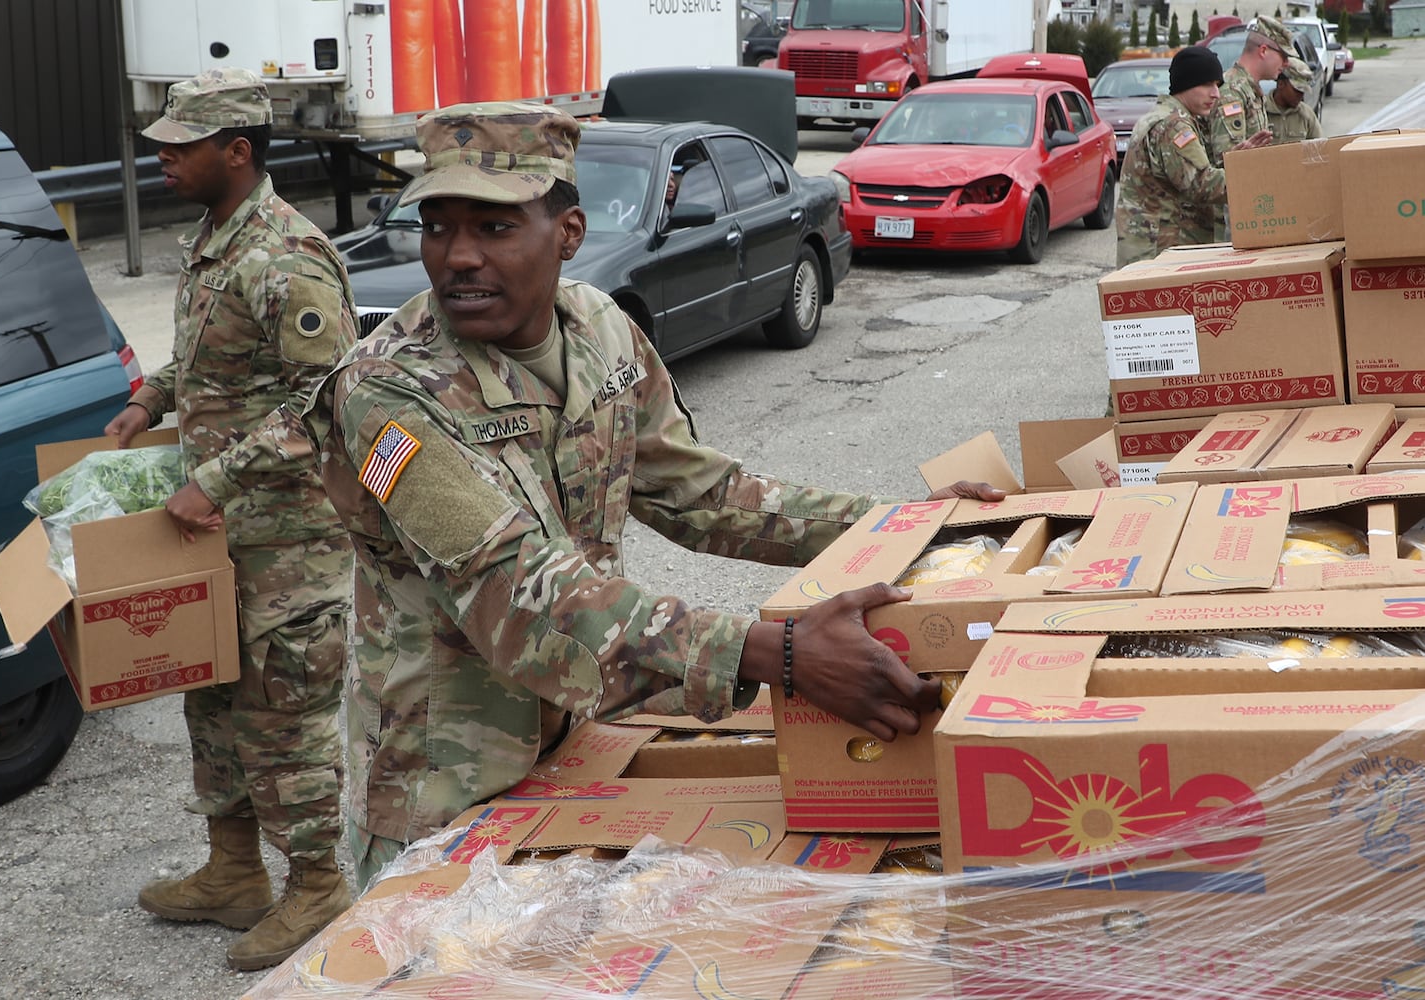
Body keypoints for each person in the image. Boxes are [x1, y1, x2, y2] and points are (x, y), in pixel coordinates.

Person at [301, 101, 1006, 887]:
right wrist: (780, 655)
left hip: (576, 741)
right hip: (446, 786)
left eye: (494, 227)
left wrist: (904, 528)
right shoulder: (389, 394)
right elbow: (520, 592)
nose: (457, 256)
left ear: (566, 232)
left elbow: (696, 490)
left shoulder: (599, 328)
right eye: (438, 227)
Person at [103, 68, 359, 972]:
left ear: (238, 151)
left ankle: (319, 884)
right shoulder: (215, 239)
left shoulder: (287, 255)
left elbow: (327, 402)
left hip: (287, 545)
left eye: (182, 145)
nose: (162, 157)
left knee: (283, 716)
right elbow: (207, 362)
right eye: (162, 142)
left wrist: (213, 476)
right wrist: (148, 400)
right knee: (210, 700)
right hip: (217, 537)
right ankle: (234, 870)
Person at [1114, 46, 1271, 267]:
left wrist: (1231, 163)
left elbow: (1184, 175)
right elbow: (1202, 185)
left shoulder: (1165, 116)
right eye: (1207, 84)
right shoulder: (1173, 126)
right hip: (1159, 254)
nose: (1216, 93)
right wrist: (1257, 177)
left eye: (1217, 85)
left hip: (1154, 249)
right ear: (1186, 84)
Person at [1209, 15, 1298, 165]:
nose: (1287, 64)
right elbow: (1228, 163)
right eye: (1283, 56)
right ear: (1263, 51)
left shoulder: (1250, 89)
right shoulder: (1232, 93)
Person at [1266, 57, 1322, 144]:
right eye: (1297, 90)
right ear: (1281, 84)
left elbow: (1320, 148)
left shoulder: (1306, 115)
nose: (1301, 95)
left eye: (1303, 91)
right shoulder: (1260, 111)